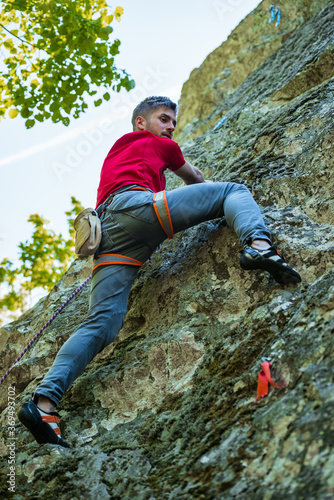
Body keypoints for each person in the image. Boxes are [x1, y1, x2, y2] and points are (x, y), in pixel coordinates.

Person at [18, 96, 301, 448]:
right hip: (136, 208)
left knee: (103, 322)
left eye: (172, 123)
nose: (169, 127)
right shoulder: (156, 143)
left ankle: (44, 405)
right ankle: (259, 246)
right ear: (141, 122)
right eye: (163, 118)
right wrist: (196, 184)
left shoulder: (118, 154)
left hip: (110, 234)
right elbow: (195, 179)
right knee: (233, 191)